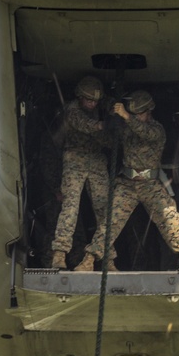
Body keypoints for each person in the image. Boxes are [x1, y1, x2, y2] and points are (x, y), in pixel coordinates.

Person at [75, 90, 179, 272]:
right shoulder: (126, 128)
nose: (136, 116)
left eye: (139, 113)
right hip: (127, 185)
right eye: (134, 113)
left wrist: (127, 117)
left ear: (149, 111)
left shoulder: (156, 129)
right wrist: (109, 123)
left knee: (169, 218)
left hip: (150, 184)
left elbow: (145, 133)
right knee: (110, 221)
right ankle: (89, 259)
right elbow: (108, 139)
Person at [50, 76, 111, 270]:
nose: (92, 104)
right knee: (70, 208)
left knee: (105, 211)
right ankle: (59, 255)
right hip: (75, 160)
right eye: (89, 100)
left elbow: (107, 140)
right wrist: (104, 125)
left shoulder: (100, 109)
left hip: (96, 160)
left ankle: (108, 258)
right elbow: (83, 124)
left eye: (95, 101)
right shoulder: (72, 109)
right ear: (80, 97)